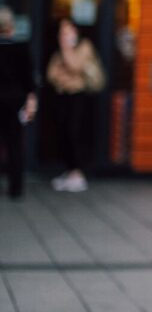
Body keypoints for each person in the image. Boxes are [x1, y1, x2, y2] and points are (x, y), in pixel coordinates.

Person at [46, 18, 105, 193]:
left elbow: (74, 65)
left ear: (75, 31)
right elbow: (52, 74)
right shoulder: (59, 52)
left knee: (74, 133)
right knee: (62, 133)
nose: (63, 35)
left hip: (78, 97)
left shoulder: (84, 46)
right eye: (61, 32)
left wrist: (66, 49)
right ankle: (70, 171)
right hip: (63, 96)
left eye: (67, 31)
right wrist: (66, 74)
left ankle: (78, 174)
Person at [0, 6, 37, 200]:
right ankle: (16, 188)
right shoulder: (21, 48)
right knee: (14, 144)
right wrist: (31, 100)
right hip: (14, 102)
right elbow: (29, 79)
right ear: (10, 26)